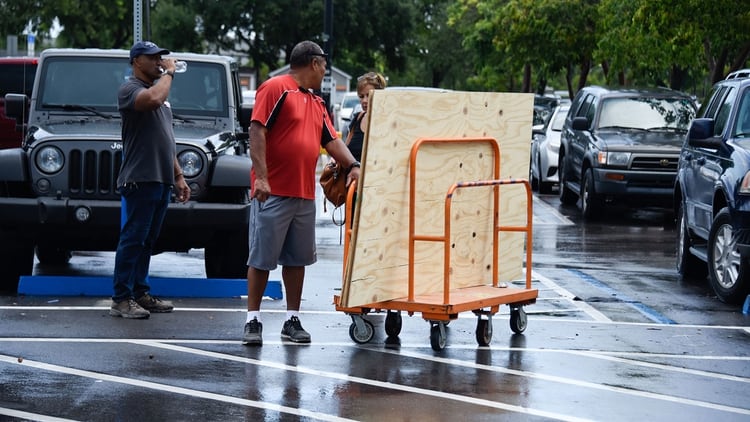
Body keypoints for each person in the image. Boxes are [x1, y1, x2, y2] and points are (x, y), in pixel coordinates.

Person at [243, 40, 361, 346]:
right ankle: (252, 320)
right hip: (273, 190)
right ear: (314, 63)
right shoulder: (275, 88)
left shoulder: (316, 101)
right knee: (261, 257)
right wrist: (262, 178)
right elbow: (257, 131)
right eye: (324, 63)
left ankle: (291, 319)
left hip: (304, 192)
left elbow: (331, 140)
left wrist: (353, 165)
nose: (325, 70)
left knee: (297, 260)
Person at [110, 41, 191, 319]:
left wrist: (178, 175)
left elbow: (165, 140)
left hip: (160, 179)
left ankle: (139, 292)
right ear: (136, 61)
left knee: (147, 241)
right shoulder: (130, 90)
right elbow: (153, 99)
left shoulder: (161, 96)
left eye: (161, 57)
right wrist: (169, 73)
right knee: (133, 238)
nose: (159, 61)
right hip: (140, 177)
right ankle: (121, 299)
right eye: (153, 57)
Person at [344, 72, 387, 161]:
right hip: (351, 174)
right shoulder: (357, 118)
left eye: (368, 95)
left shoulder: (386, 121)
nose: (364, 100)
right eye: (361, 96)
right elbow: (345, 150)